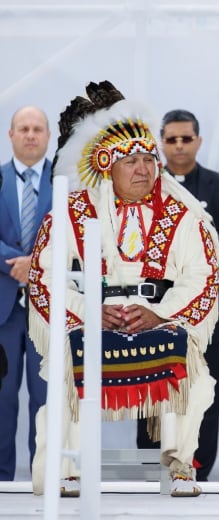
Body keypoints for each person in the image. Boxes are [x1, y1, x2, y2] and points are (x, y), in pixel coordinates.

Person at [27, 81, 219, 497]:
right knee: (66, 364)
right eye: (130, 160)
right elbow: (45, 277)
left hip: (159, 317)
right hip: (92, 319)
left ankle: (181, 463)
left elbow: (203, 275)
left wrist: (162, 314)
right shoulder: (72, 210)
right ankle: (67, 468)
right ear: (106, 165)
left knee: (197, 373)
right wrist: (89, 313)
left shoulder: (184, 211)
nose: (143, 169)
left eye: (149, 159)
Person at [136, 109, 219, 482]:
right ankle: (153, 468)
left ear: (198, 141)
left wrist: (201, 290)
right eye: (172, 139)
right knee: (152, 392)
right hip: (154, 309)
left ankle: (197, 471)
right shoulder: (141, 186)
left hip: (208, 312)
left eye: (187, 138)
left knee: (203, 392)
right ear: (161, 143)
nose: (180, 146)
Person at [0, 106, 52, 480]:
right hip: (3, 309)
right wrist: (16, 262)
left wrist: (39, 263)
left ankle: (43, 478)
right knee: (2, 400)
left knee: (44, 400)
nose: (30, 135)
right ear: (11, 135)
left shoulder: (66, 181)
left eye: (37, 129)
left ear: (48, 137)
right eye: (24, 128)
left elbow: (78, 236)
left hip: (47, 310)